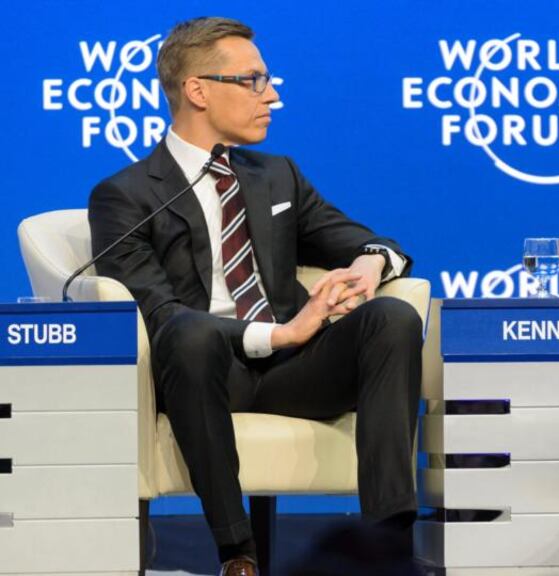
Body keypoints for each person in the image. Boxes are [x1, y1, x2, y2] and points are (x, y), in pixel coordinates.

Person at [89, 17, 422, 576]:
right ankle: (236, 552)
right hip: (202, 374)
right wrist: (280, 333)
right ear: (198, 90)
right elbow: (161, 316)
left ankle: (385, 546)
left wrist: (371, 261)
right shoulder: (124, 196)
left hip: (295, 372)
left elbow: (369, 240)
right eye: (253, 81)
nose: (271, 96)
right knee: (188, 332)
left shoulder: (277, 176)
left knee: (392, 316)